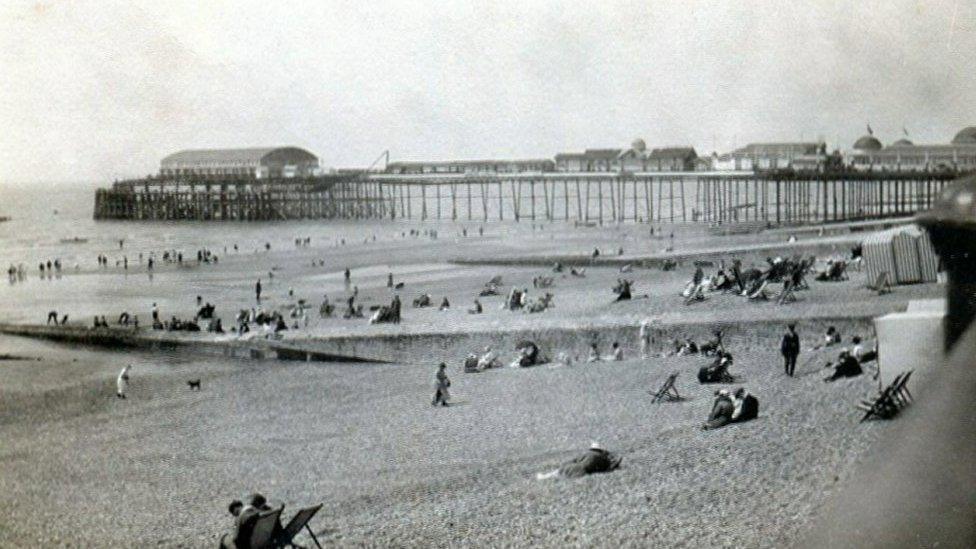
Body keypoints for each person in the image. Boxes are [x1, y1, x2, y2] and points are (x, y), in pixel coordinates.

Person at [537, 442, 622, 480]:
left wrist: (564, 466)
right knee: (566, 480)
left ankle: (544, 477)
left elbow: (572, 461)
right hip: (582, 470)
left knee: (556, 474)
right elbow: (607, 469)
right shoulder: (603, 458)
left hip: (570, 466)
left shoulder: (587, 453)